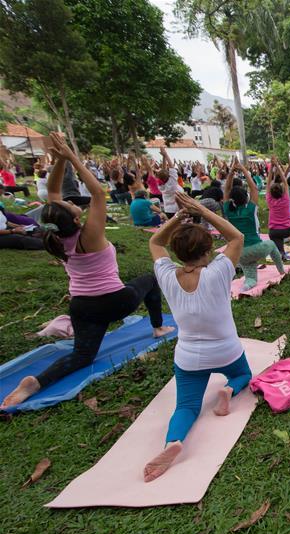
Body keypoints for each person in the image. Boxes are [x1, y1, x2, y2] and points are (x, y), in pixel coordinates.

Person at [1, 133, 174, 410]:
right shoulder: (90, 235)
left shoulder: (55, 236)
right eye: (70, 205)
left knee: (82, 355)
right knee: (152, 280)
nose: (71, 201)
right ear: (73, 216)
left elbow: (54, 194)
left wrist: (59, 161)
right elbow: (96, 192)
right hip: (114, 302)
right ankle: (158, 327)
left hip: (81, 307)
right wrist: (71, 157)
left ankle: (37, 382)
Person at [143, 192, 247, 482]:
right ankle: (228, 391)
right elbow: (236, 236)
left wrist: (176, 217)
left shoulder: (166, 273)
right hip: (226, 352)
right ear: (208, 250)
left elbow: (154, 242)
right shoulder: (218, 272)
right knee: (243, 375)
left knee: (186, 407)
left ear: (179, 253)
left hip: (188, 358)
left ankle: (174, 442)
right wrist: (200, 208)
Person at [222, 160, 285, 291]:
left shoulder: (228, 211)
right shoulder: (250, 210)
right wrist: (243, 169)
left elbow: (227, 189)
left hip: (239, 254)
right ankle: (282, 270)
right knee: (272, 244)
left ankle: (249, 283)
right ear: (246, 198)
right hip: (256, 248)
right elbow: (254, 188)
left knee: (250, 275)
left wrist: (231, 173)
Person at [265, 158, 290, 261]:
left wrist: (271, 167)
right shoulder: (286, 199)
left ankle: (281, 252)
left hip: (274, 231)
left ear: (271, 192)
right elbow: (284, 180)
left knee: (277, 239)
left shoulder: (269, 200)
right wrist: (277, 166)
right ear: (282, 190)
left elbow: (268, 181)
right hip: (288, 230)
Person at [157, 147, 181, 219]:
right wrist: (166, 154)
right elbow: (171, 166)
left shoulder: (160, 185)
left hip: (167, 210)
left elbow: (163, 170)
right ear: (168, 176)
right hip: (177, 209)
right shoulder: (172, 182)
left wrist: (164, 157)